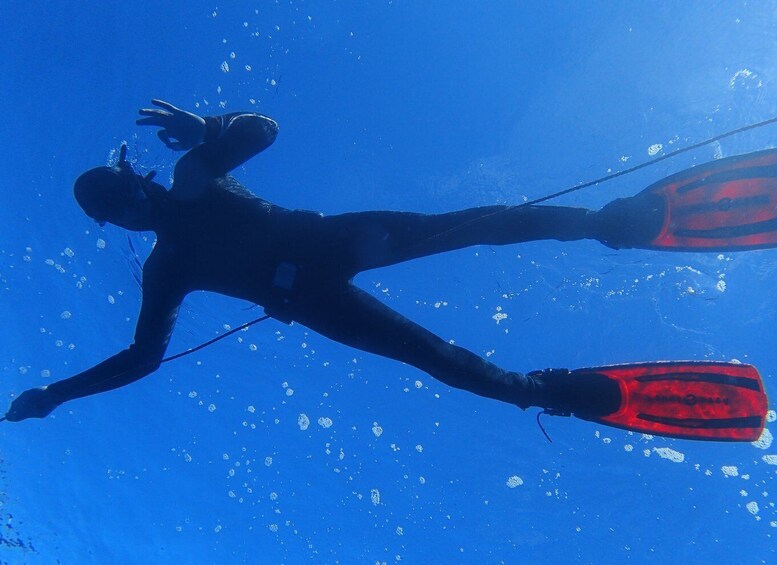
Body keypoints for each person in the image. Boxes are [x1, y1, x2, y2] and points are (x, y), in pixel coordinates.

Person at [3, 100, 770, 441]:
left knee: (482, 224)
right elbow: (143, 356)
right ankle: (549, 392)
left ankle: (616, 223)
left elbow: (262, 129)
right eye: (109, 211)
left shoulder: (195, 176)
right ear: (116, 222)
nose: (124, 207)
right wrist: (57, 394)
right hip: (310, 298)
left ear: (135, 177)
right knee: (434, 360)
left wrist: (209, 125)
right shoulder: (164, 270)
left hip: (338, 242)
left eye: (116, 189)